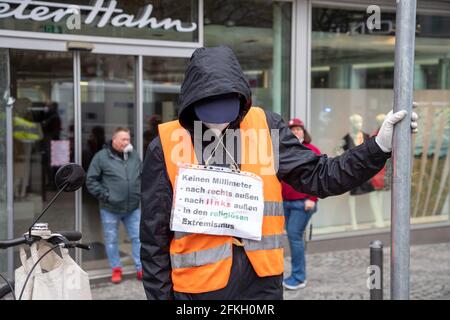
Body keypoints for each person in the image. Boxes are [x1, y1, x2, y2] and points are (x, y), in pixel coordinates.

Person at [140, 46, 418, 300]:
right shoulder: (165, 144)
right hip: (198, 292)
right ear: (192, 104)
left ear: (241, 99)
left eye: (226, 109)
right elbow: (154, 238)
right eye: (209, 111)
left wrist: (378, 145)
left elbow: (322, 176)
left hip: (262, 287)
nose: (219, 122)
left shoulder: (266, 127)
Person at [86, 127, 142, 283]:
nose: (127, 142)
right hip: (110, 209)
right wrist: (106, 196)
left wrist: (139, 194)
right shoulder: (101, 157)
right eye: (123, 139)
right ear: (114, 140)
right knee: (111, 240)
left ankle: (140, 267)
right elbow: (91, 180)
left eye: (128, 139)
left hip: (133, 208)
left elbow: (142, 175)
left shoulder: (134, 156)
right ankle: (116, 269)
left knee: (138, 238)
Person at [282, 118, 320, 290]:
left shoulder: (312, 151)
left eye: (298, 129)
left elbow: (319, 177)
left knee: (294, 236)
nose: (296, 132)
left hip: (303, 203)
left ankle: (298, 277)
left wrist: (312, 199)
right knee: (292, 237)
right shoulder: (284, 151)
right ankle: (295, 274)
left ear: (304, 132)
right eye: (292, 130)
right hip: (285, 203)